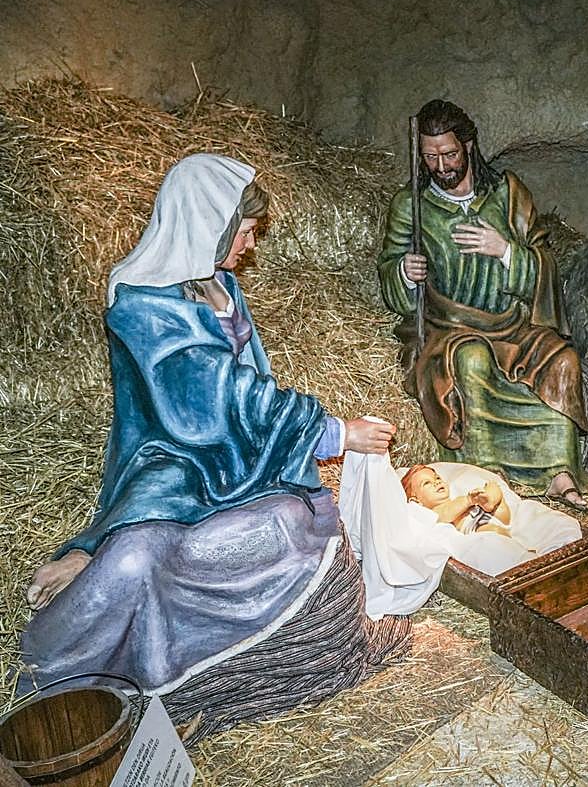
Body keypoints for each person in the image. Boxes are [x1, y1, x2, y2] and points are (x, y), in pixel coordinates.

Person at [22, 154, 404, 720]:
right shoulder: (144, 307)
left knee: (292, 523)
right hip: (172, 468)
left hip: (234, 464)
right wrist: (332, 432)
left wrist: (293, 444)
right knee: (137, 556)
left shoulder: (221, 286)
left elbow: (253, 383)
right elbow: (219, 400)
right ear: (209, 227)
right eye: (246, 232)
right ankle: (48, 670)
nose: (250, 246)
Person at [378, 99, 588, 511]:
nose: (441, 166)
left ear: (469, 146)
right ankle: (487, 479)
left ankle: (558, 473)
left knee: (564, 361)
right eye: (430, 157)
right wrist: (406, 270)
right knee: (472, 361)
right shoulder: (413, 205)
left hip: (511, 325)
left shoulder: (508, 194)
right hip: (450, 327)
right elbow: (389, 277)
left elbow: (545, 263)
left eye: (450, 153)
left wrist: (506, 251)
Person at [402, 463, 513, 537]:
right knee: (494, 533)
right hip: (477, 526)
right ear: (416, 501)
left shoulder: (456, 499)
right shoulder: (435, 512)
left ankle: (490, 500)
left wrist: (483, 497)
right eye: (426, 483)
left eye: (437, 478)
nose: (436, 482)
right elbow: (447, 514)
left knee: (492, 485)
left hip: (489, 511)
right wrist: (469, 500)